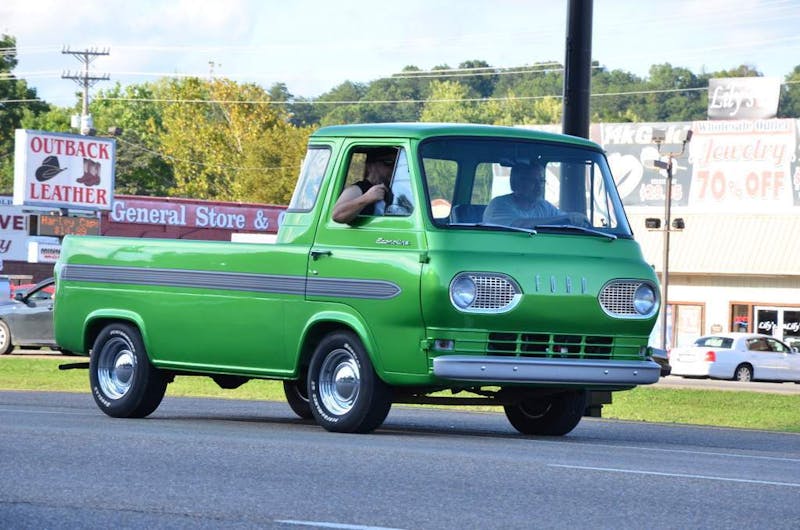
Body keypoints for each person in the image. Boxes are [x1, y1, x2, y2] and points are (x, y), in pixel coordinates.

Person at [482, 162, 585, 227]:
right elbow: (520, 225)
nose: (539, 186)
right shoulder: (498, 205)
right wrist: (565, 218)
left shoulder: (543, 206)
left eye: (541, 181)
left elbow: (565, 219)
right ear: (516, 183)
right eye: (532, 181)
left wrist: (576, 218)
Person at [332, 148, 396, 224]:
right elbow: (337, 215)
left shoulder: (396, 190)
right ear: (370, 165)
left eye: (396, 163)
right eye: (388, 162)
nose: (394, 167)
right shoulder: (357, 189)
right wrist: (367, 198)